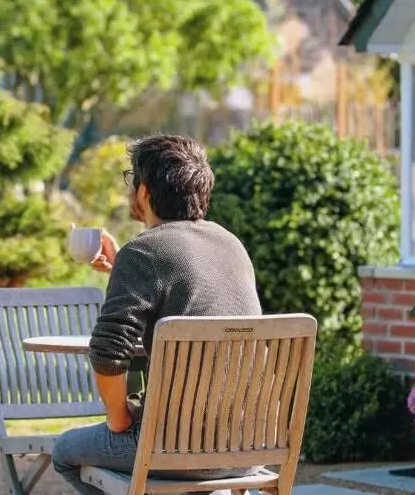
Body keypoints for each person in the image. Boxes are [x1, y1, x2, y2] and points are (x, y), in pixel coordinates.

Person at [52, 135, 262, 494]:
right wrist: (122, 265)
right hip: (246, 446)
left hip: (172, 448)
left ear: (145, 192)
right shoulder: (231, 244)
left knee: (64, 452)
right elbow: (189, 289)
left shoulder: (143, 252)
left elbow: (107, 352)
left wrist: (120, 421)